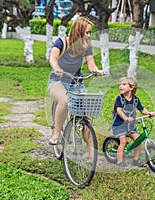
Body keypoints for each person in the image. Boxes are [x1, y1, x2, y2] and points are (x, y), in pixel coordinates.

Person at [48, 17, 104, 145]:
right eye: (87, 32)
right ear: (78, 31)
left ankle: (91, 155)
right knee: (64, 101)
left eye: (90, 33)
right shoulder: (61, 42)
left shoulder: (86, 47)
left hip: (76, 83)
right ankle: (56, 134)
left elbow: (91, 65)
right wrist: (56, 68)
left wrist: (96, 71)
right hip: (57, 81)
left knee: (88, 115)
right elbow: (53, 58)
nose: (89, 35)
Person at [111, 77, 155, 167]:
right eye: (120, 84)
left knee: (138, 140)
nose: (121, 86)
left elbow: (142, 109)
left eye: (124, 84)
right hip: (119, 125)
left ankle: (136, 160)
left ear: (131, 88)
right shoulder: (119, 99)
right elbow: (119, 110)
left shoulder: (135, 100)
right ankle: (119, 161)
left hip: (130, 126)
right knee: (123, 141)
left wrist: (149, 113)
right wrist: (126, 118)